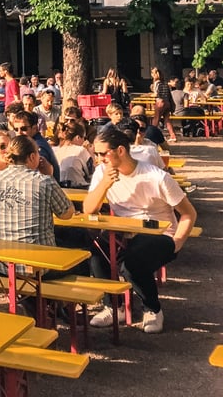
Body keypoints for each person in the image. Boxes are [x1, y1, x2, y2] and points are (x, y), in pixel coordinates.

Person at [84, 128, 197, 333]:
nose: (99, 159)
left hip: (159, 233)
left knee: (132, 263)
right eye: (96, 153)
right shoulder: (102, 173)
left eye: (103, 153)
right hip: (123, 230)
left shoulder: (157, 176)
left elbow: (189, 213)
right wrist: (104, 184)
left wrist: (177, 242)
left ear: (120, 151)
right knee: (96, 253)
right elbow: (88, 209)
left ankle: (152, 309)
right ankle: (113, 306)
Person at [0, 135, 76, 278]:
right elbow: (67, 214)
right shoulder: (43, 181)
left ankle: (31, 299)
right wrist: (50, 176)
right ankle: (60, 300)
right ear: (32, 157)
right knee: (80, 257)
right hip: (40, 266)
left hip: (1, 265)